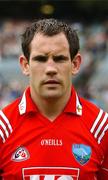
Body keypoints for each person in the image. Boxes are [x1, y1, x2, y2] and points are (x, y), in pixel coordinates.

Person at [0, 18, 108, 180]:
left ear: (75, 64)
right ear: (25, 65)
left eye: (59, 59)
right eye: (40, 59)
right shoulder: (2, 129)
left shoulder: (102, 129)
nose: (50, 69)